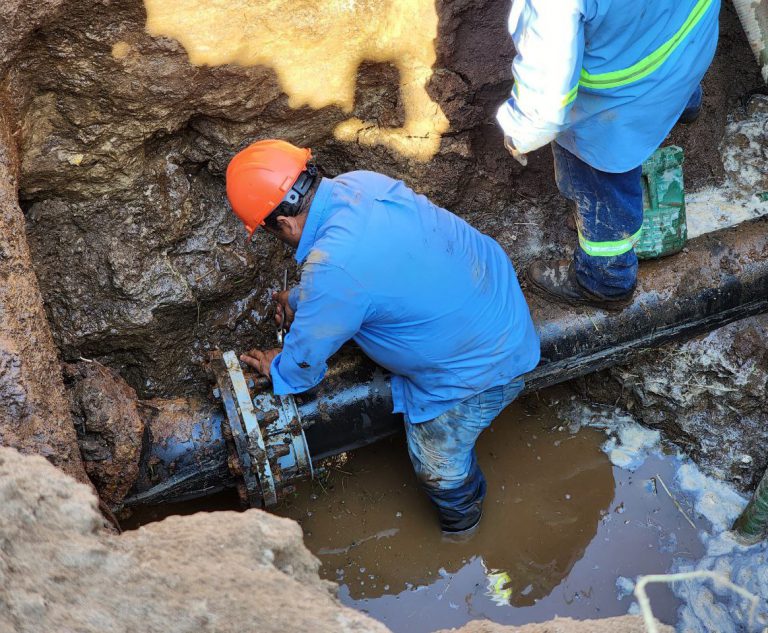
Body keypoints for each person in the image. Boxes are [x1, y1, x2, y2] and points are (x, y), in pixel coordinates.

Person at [226, 139, 540, 534]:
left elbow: (303, 368)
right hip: (498, 300)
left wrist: (279, 368)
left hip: (483, 369)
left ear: (284, 224)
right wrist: (302, 299)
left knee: (437, 464)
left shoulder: (332, 271)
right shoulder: (361, 184)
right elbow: (371, 269)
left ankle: (464, 523)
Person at [496, 0, 720, 309]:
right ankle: (684, 107)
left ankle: (606, 280)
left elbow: (545, 100)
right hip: (689, 48)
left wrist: (519, 132)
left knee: (599, 185)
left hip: (613, 109)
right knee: (672, 81)